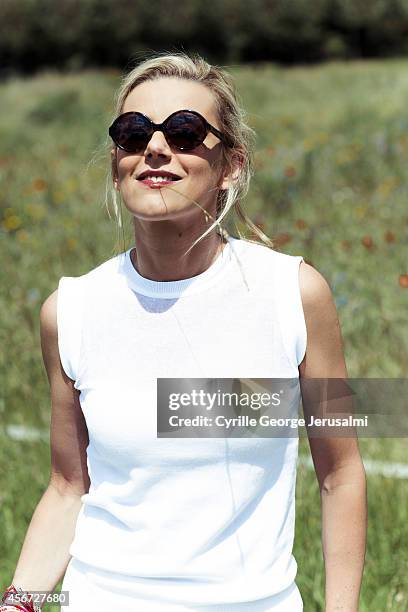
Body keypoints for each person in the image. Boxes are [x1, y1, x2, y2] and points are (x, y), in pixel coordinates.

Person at [1, 52, 367, 612]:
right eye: (132, 132)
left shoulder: (293, 294)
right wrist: (17, 604)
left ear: (231, 166)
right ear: (117, 159)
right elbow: (68, 488)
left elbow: (340, 474)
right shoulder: (69, 310)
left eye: (185, 131)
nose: (154, 147)